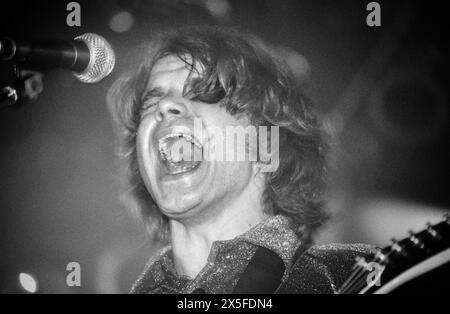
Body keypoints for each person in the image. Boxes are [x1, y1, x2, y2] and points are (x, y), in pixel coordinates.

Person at [107, 26, 373, 294]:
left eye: (204, 93)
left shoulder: (353, 278)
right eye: (150, 103)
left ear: (266, 142)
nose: (164, 107)